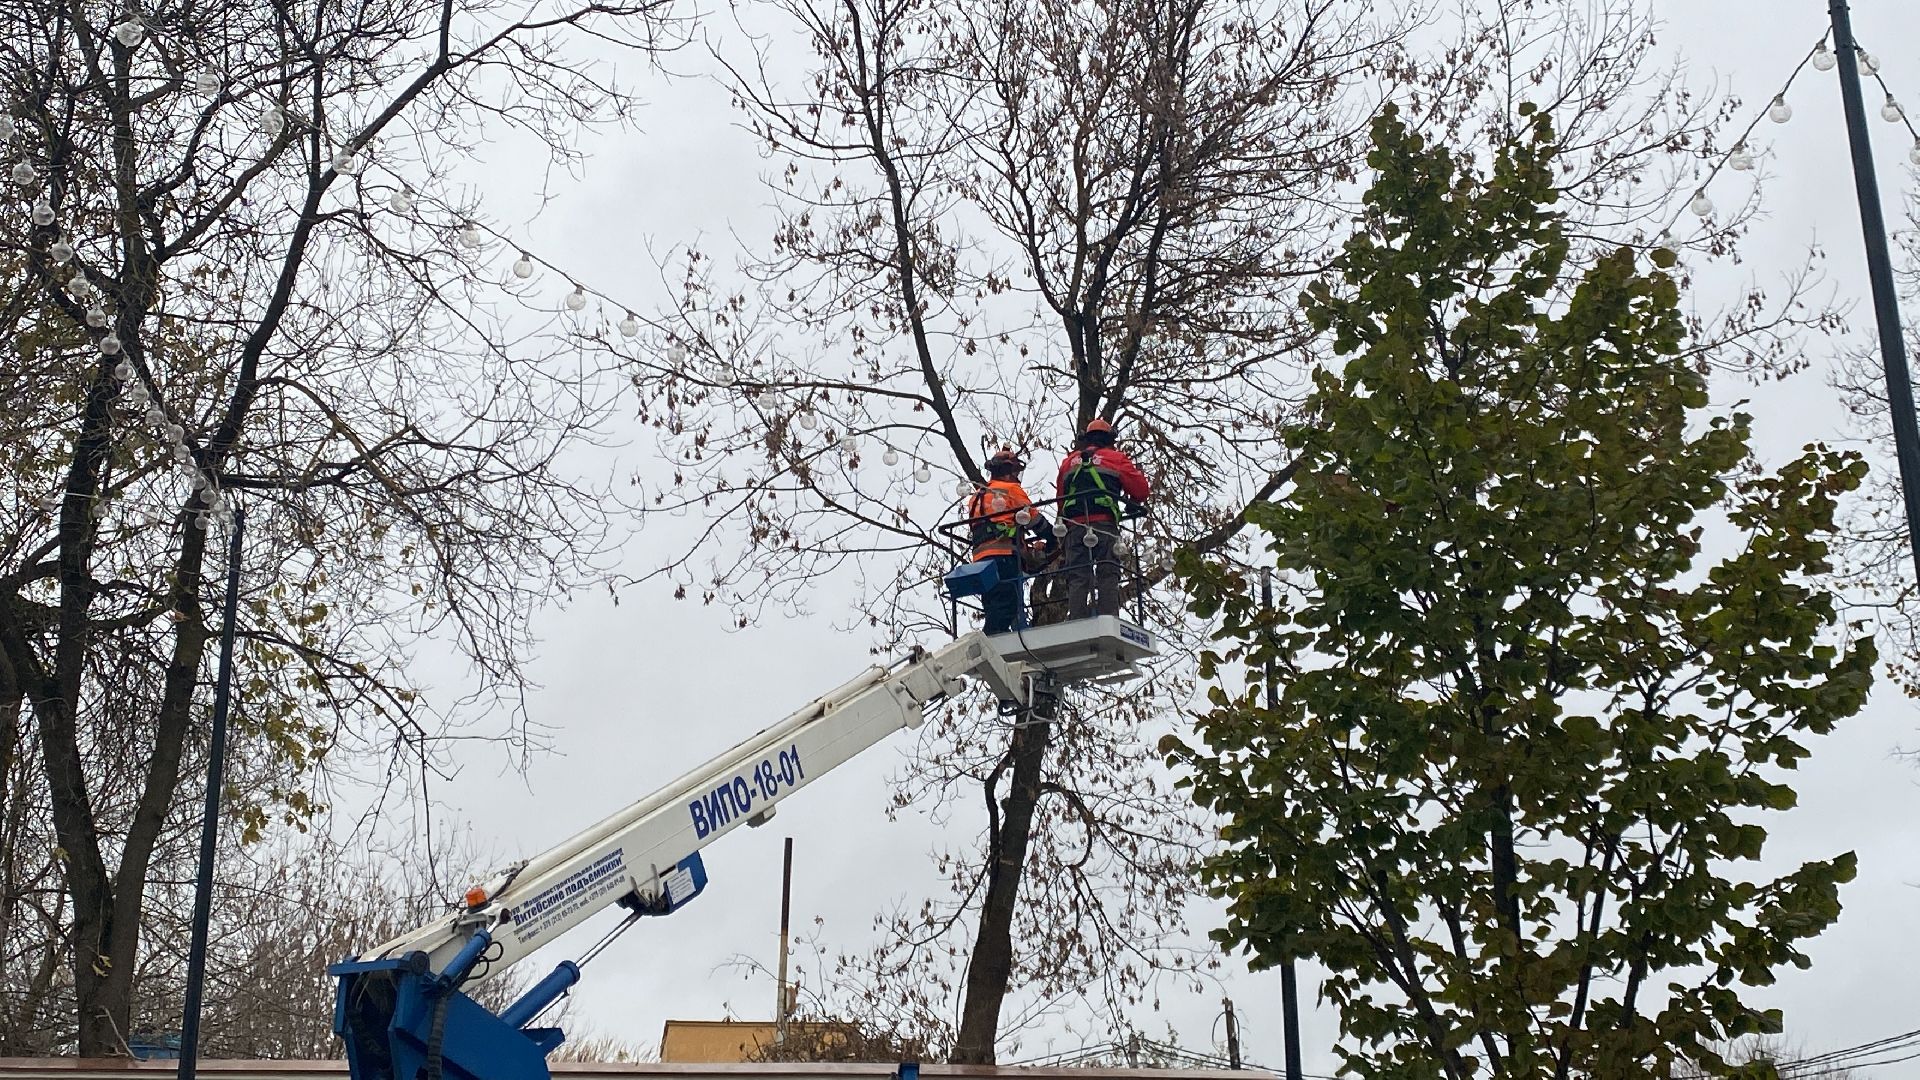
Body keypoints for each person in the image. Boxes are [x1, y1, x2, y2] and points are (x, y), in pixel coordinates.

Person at [1055, 418, 1149, 619]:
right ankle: (1109, 618)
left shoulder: (1068, 463)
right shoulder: (1116, 458)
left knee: (1078, 575)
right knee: (1108, 572)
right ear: (1109, 439)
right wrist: (1132, 502)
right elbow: (1141, 491)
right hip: (1104, 525)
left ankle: (1077, 621)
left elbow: (1061, 501)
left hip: (1075, 528)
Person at [967, 448, 1052, 634]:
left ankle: (995, 639)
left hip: (980, 559)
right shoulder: (1011, 490)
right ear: (1008, 471)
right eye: (1015, 471)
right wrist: (1053, 536)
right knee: (1007, 604)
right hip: (1003, 556)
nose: (1016, 476)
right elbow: (1033, 519)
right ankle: (989, 640)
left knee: (992, 603)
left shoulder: (976, 497)